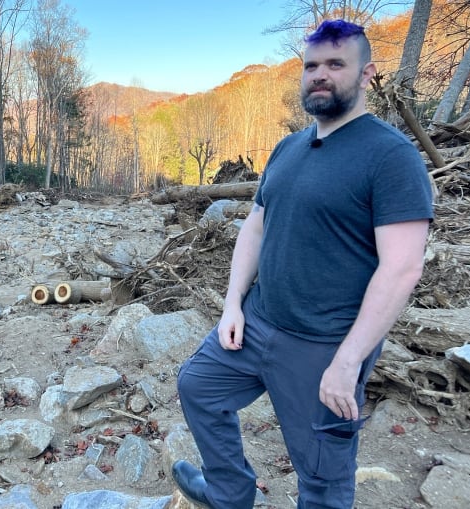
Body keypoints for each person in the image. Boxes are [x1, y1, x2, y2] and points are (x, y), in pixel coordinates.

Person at [172, 19, 434, 509]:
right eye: (311, 65)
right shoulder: (288, 148)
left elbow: (402, 268)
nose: (320, 75)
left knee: (322, 480)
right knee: (198, 387)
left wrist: (348, 362)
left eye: (336, 64)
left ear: (367, 73)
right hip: (257, 321)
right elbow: (255, 226)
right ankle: (229, 493)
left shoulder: (392, 156)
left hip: (324, 346)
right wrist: (233, 305)